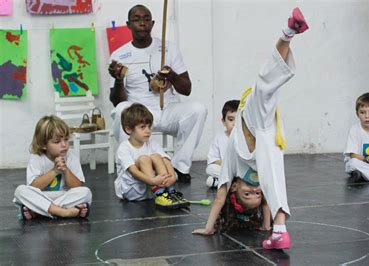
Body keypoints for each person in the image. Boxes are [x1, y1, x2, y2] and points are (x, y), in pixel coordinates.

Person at [192, 7, 309, 250]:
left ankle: (289, 31)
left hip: (251, 118)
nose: (254, 191)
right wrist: (267, 226)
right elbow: (270, 191)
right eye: (255, 195)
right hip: (267, 132)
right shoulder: (262, 179)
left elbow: (219, 199)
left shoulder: (230, 169)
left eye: (249, 194)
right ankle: (279, 229)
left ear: (236, 187)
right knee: (275, 175)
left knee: (265, 84)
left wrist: (208, 227)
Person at [108, 4, 207, 183]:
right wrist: (118, 79)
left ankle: (179, 168)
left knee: (198, 109)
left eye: (146, 19)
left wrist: (172, 75)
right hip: (139, 115)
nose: (142, 23)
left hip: (167, 110)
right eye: (137, 20)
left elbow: (187, 89)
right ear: (128, 25)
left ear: (153, 24)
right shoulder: (119, 55)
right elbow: (116, 101)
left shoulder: (169, 49)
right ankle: (130, 167)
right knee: (122, 109)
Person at [13, 116, 92, 220]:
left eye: (66, 139)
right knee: (20, 191)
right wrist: (55, 171)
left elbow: (77, 187)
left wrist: (66, 170)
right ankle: (63, 212)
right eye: (57, 141)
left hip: (63, 196)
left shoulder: (71, 157)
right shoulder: (37, 158)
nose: (64, 145)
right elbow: (34, 187)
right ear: (43, 144)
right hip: (42, 195)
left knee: (86, 192)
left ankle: (39, 211)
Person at [114, 103, 189, 208]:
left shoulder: (152, 143)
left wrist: (172, 177)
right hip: (133, 190)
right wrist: (152, 181)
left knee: (156, 156)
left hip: (150, 188)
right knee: (144, 159)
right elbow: (133, 171)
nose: (148, 131)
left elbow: (165, 160)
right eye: (142, 127)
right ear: (129, 129)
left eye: (149, 126)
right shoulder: (124, 148)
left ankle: (168, 191)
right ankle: (160, 193)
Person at [205, 100, 239, 188]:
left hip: (241, 169)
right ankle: (235, 183)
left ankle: (219, 182)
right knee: (210, 169)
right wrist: (227, 164)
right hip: (225, 168)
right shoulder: (218, 138)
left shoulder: (246, 139)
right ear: (224, 121)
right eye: (231, 120)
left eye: (239, 120)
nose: (235, 123)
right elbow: (213, 160)